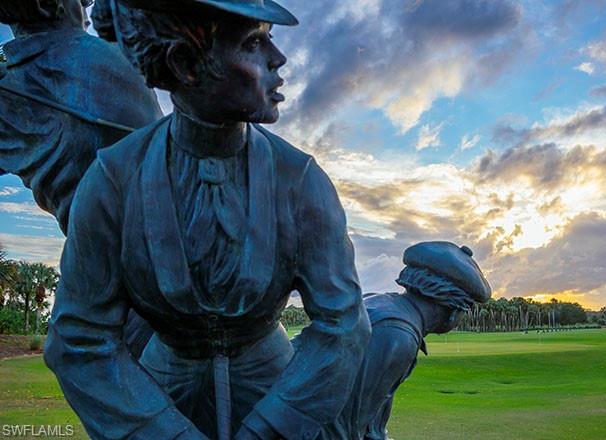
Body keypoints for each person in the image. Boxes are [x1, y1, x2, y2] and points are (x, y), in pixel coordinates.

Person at [43, 1, 370, 439]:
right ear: (186, 64)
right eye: (253, 42)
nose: (278, 58)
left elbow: (344, 323)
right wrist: (164, 433)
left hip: (278, 398)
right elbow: (79, 337)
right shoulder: (113, 180)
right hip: (157, 404)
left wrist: (272, 427)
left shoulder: (299, 180)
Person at [0, 0, 162, 233]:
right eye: (81, 2)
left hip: (95, 252)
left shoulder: (12, 92)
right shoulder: (103, 56)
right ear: (46, 4)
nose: (87, 12)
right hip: (158, 236)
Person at [322, 241, 492, 440]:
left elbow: (371, 422)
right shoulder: (398, 335)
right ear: (453, 311)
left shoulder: (383, 303)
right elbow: (345, 427)